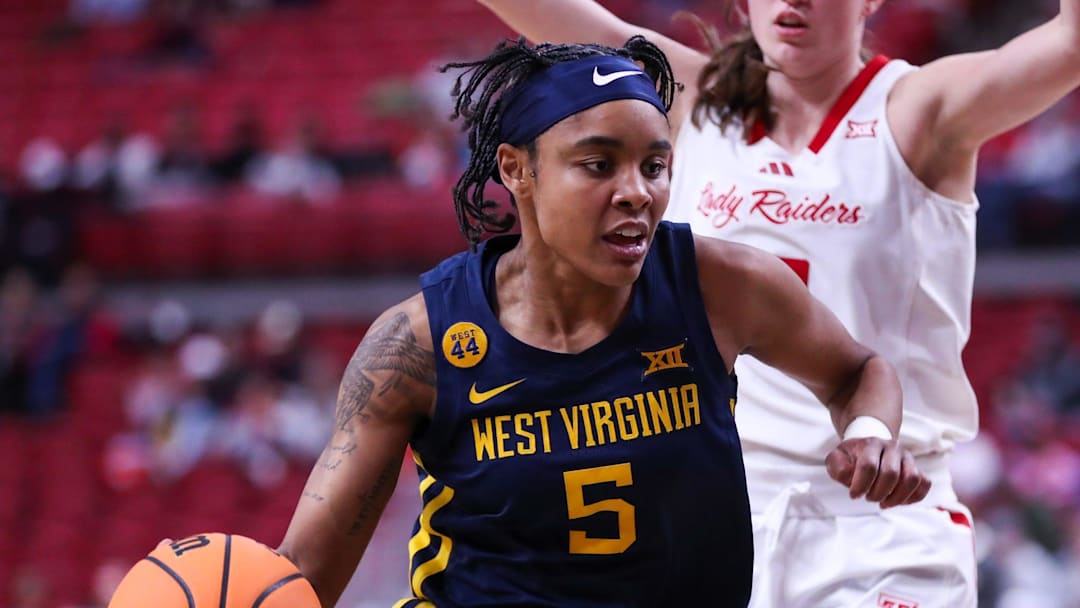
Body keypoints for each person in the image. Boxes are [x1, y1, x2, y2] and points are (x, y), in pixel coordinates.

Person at [276, 37, 931, 608]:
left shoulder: (721, 286)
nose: (636, 192)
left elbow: (857, 371)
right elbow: (304, 577)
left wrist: (871, 433)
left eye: (654, 165)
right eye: (598, 164)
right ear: (516, 169)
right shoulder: (417, 344)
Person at [474, 0, 1080, 606]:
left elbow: (1070, 43)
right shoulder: (687, 101)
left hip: (880, 522)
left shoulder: (919, 107)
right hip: (707, 524)